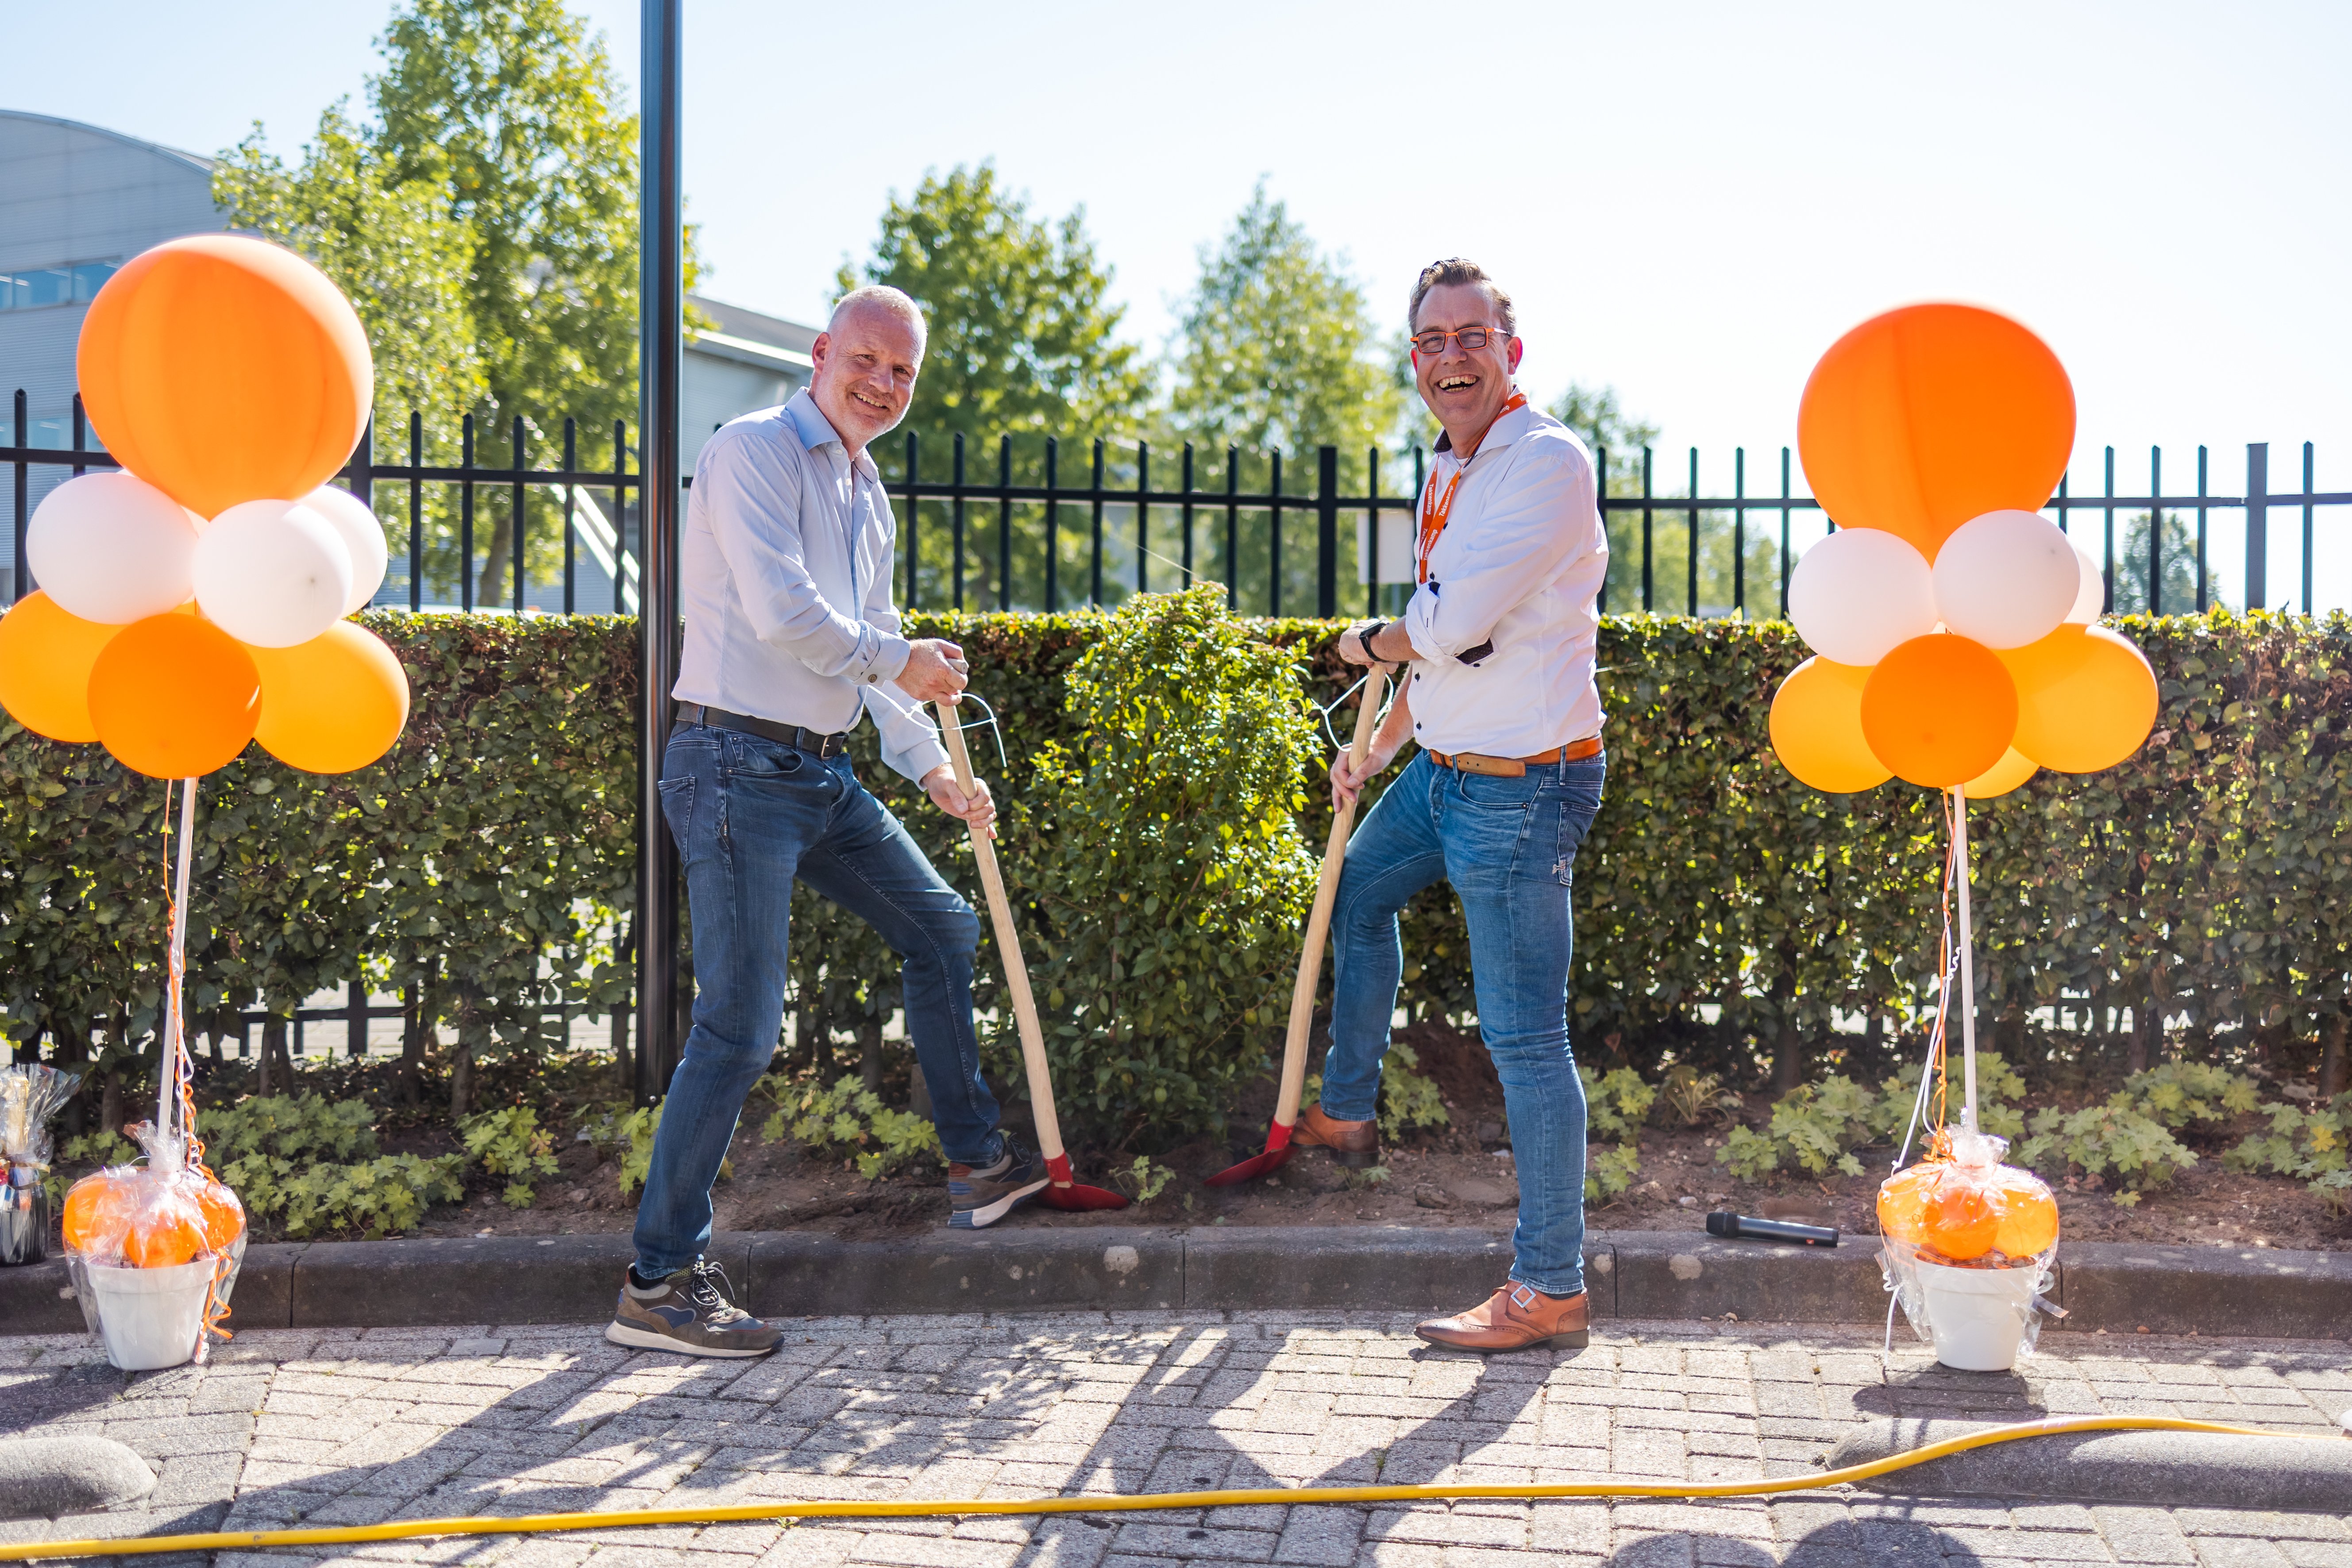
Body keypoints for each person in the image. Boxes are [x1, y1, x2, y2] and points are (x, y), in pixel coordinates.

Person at [610, 285, 1047, 1359]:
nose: (884, 385)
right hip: (727, 762)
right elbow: (787, 614)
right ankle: (656, 1281)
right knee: (742, 1024)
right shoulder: (752, 449)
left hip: (815, 769)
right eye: (868, 360)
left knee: (940, 926)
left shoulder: (866, 486)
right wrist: (899, 660)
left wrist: (934, 766)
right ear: (819, 354)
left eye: (903, 371)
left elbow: (875, 641)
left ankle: (975, 1164)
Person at [1305, 258, 1610, 1352]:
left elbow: (1450, 621)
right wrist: (1380, 748)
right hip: (1440, 774)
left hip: (1522, 787)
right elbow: (1435, 656)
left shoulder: (1545, 463)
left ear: (1509, 351)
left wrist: (1363, 643)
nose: (1449, 358)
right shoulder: (1446, 469)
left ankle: (1549, 1286)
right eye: (1429, 341)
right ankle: (1345, 1108)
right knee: (1356, 894)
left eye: (1469, 336)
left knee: (1524, 1040)